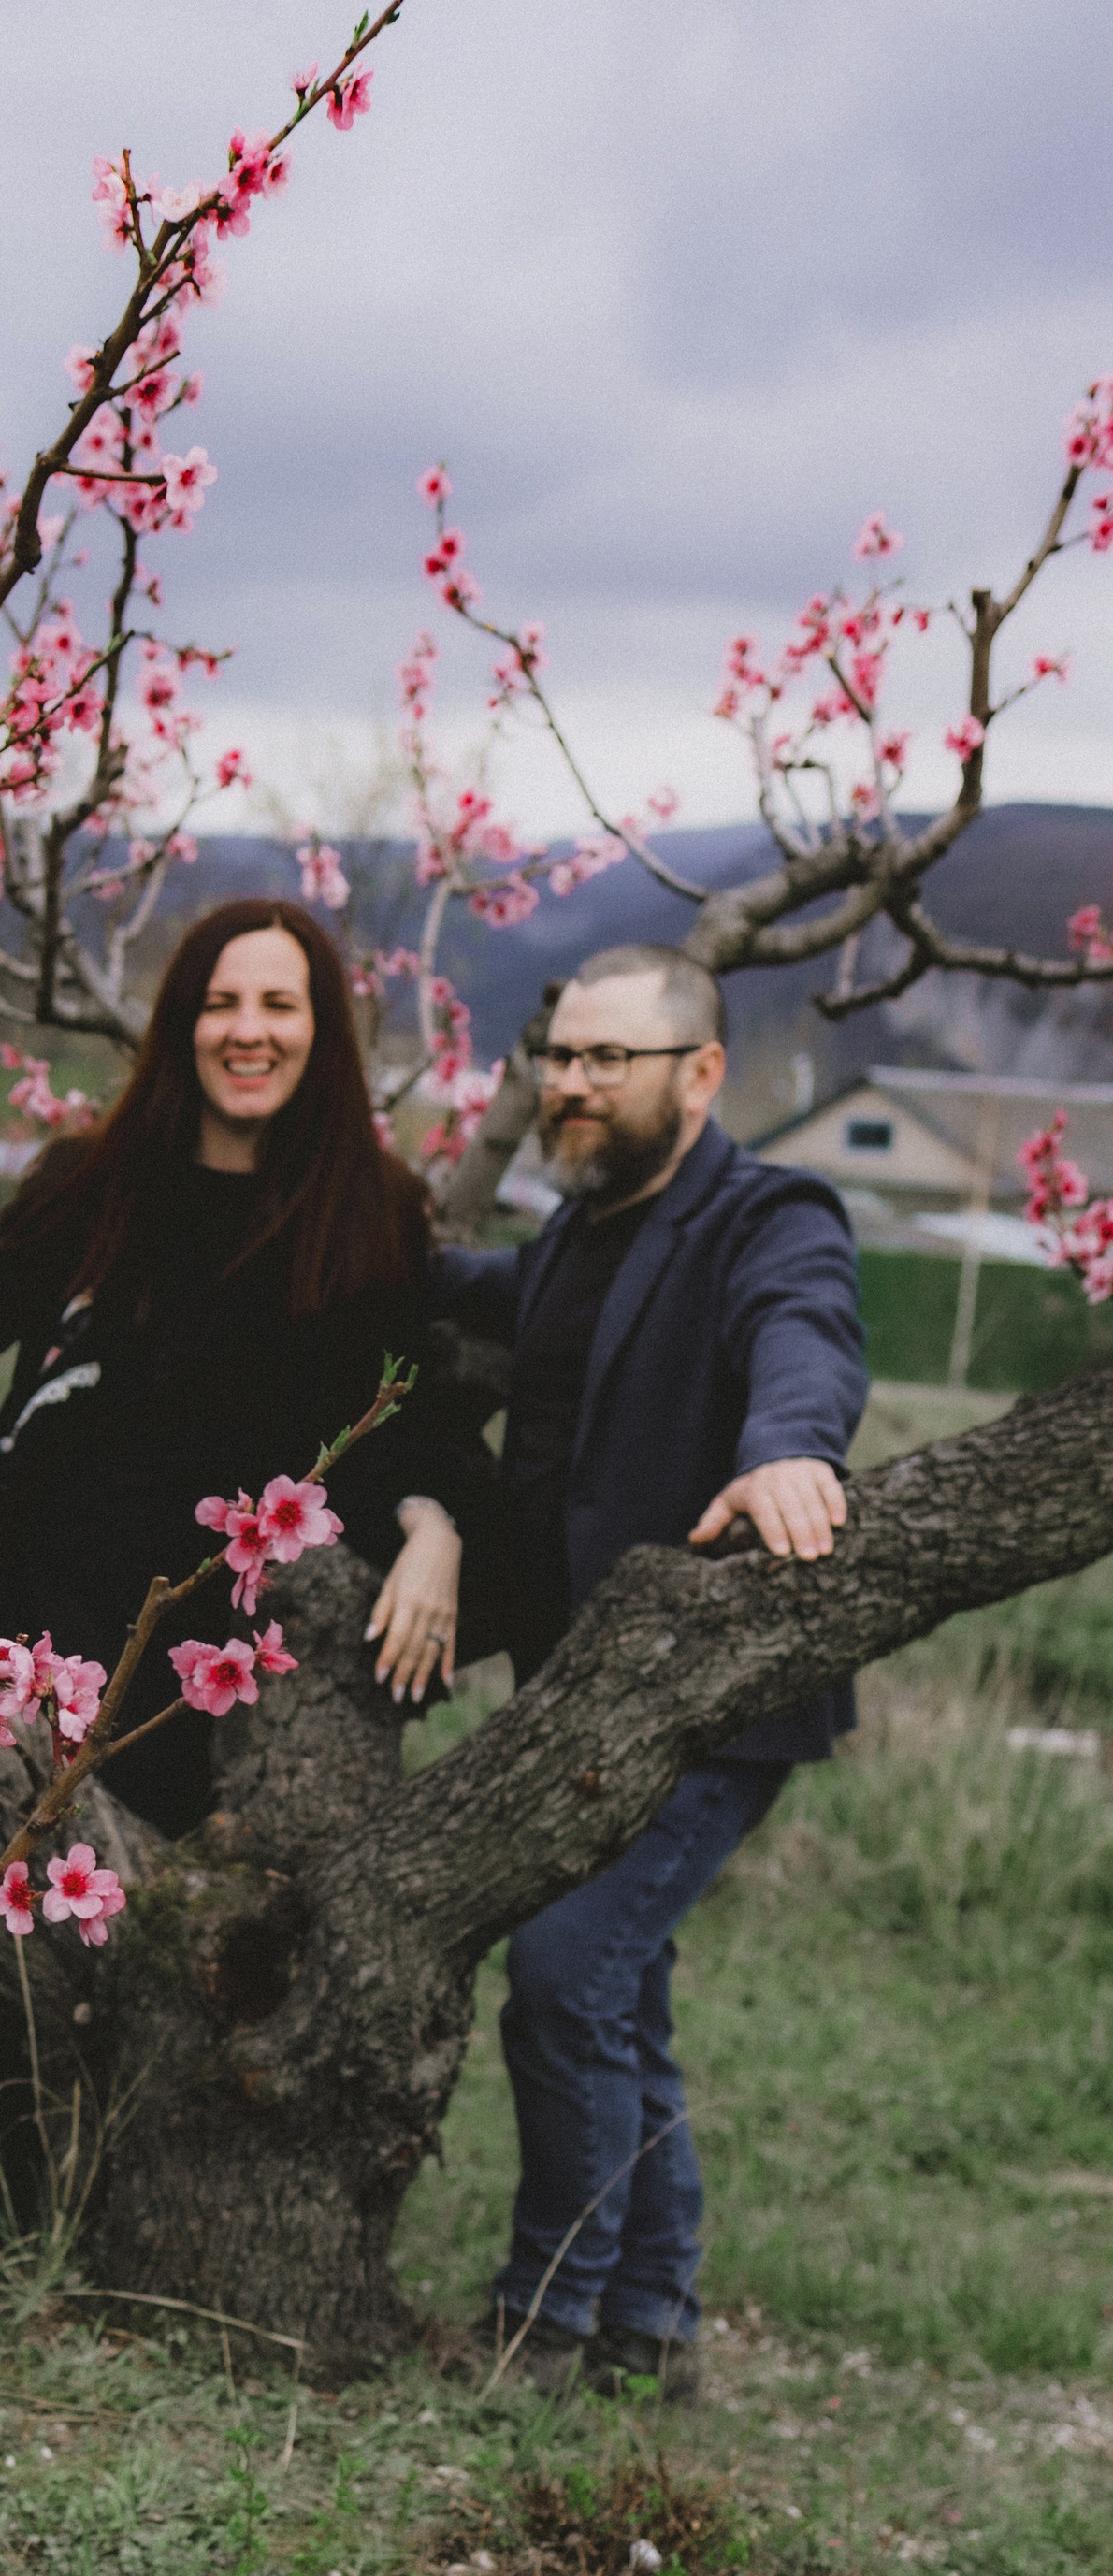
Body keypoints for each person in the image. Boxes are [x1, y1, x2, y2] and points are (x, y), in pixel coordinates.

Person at [0, 899, 494, 1832]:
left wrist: (437, 1526)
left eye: (278, 1005)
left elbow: (395, 1423)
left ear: (320, 1029)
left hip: (181, 1672)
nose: (248, 1030)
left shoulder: (374, 1215)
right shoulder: (92, 1183)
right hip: (1, 1614)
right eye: (219, 1002)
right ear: (181, 1026)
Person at [436, 942, 868, 2400]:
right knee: (626, 2000)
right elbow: (504, 1298)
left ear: (700, 1074)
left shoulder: (771, 1215)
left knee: (563, 1980)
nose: (569, 1084)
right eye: (559, 1055)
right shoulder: (577, 1228)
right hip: (577, 1688)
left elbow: (801, 1335)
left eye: (605, 1060)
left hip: (707, 1701)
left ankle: (545, 2327)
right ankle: (655, 2331)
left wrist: (789, 1446)